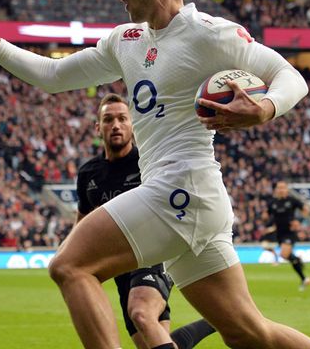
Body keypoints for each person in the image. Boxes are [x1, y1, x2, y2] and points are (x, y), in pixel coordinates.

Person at [0, 0, 310, 348]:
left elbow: (290, 76)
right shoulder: (125, 40)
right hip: (191, 199)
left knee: (70, 266)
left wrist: (266, 108)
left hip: (181, 188)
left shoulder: (209, 34)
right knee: (249, 333)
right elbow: (53, 77)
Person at [73, 93, 215, 349]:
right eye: (108, 120)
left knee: (141, 312)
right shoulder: (87, 174)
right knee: (155, 343)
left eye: (122, 119)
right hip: (119, 268)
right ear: (98, 127)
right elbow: (81, 226)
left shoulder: (147, 164)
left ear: (132, 124)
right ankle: (215, 321)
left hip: (153, 255)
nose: (115, 125)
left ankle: (216, 320)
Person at [267, 181, 310, 290]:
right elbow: (270, 216)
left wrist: (299, 221)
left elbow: (306, 210)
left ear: (287, 189)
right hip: (279, 233)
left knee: (284, 253)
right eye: (279, 188)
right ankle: (301, 269)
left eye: (283, 188)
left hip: (290, 232)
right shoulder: (272, 203)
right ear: (276, 190)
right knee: (285, 256)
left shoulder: (292, 200)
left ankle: (304, 277)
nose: (281, 190)